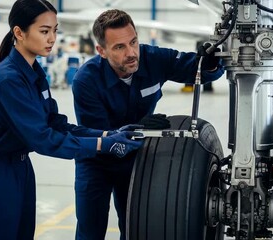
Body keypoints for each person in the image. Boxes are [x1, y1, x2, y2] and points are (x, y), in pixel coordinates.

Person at [0, 1, 143, 239]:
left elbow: (56, 124)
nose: (52, 38)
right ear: (19, 32)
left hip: (21, 169)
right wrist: (102, 146)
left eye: (55, 30)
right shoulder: (8, 80)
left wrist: (107, 134)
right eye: (44, 31)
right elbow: (43, 139)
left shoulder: (35, 73)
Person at [72, 9, 224, 240]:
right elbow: (100, 135)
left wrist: (210, 62)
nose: (131, 53)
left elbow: (196, 70)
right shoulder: (86, 81)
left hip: (135, 159)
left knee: (135, 227)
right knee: (90, 230)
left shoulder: (153, 58)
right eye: (120, 47)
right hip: (96, 163)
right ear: (101, 51)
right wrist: (138, 128)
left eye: (133, 42)